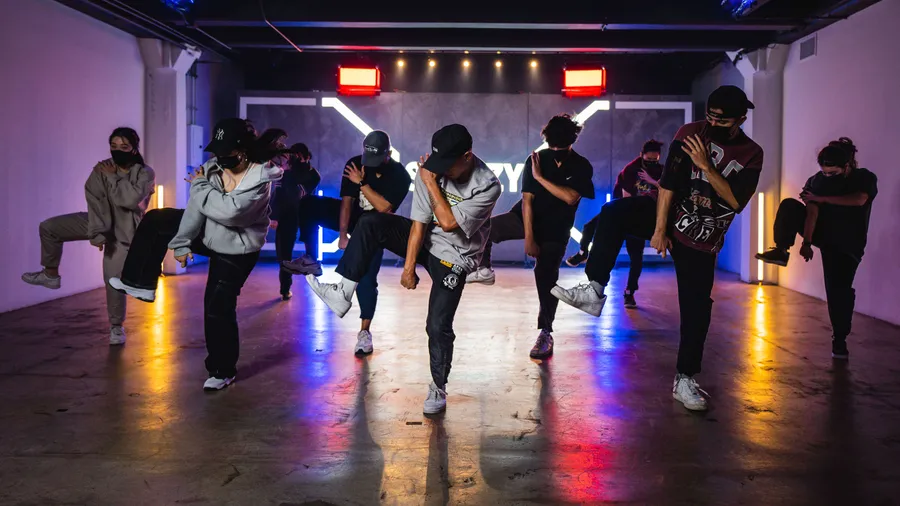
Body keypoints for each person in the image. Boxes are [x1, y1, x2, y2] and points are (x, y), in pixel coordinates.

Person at [551, 85, 763, 412]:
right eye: (709, 116)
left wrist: (706, 166)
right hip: (670, 216)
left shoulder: (751, 153)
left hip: (702, 237)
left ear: (740, 120)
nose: (712, 124)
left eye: (721, 121)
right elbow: (668, 184)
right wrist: (660, 229)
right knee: (613, 213)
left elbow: (736, 201)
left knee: (696, 309)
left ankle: (685, 378)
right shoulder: (690, 133)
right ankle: (594, 289)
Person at [304, 124, 501, 414]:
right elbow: (419, 223)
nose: (442, 171)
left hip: (456, 256)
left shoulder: (488, 185)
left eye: (448, 165)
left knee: (437, 325)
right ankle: (342, 291)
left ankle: (438, 386)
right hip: (427, 241)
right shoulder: (430, 170)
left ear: (467, 156)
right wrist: (409, 266)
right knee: (370, 222)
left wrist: (431, 183)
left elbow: (448, 223)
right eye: (439, 164)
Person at [107, 118, 283, 391]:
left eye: (227, 151)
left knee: (217, 306)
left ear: (243, 150)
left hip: (238, 248)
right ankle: (140, 282)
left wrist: (200, 186)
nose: (220, 157)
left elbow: (232, 213)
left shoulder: (260, 178)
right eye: (218, 151)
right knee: (156, 220)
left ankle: (222, 370)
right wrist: (182, 242)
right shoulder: (213, 167)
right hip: (210, 232)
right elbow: (197, 207)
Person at [466, 114, 594, 359]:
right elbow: (527, 201)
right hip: (524, 218)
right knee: (485, 228)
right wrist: (529, 237)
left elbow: (570, 197)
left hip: (556, 230)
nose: (554, 146)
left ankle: (545, 332)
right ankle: (484, 269)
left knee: (546, 278)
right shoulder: (536, 159)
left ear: (571, 138)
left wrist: (540, 178)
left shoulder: (581, 165)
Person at [22, 127, 155, 345]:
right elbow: (94, 199)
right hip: (98, 220)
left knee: (112, 280)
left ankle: (116, 327)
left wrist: (112, 177)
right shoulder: (101, 169)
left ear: (133, 149)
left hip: (124, 232)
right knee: (49, 227)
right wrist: (97, 231)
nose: (117, 150)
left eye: (124, 147)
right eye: (113, 146)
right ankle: (50, 274)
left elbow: (129, 201)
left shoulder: (144, 173)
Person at [282, 131, 411, 355]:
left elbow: (384, 208)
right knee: (309, 204)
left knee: (366, 280)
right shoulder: (355, 164)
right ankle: (311, 258)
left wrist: (361, 182)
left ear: (388, 154)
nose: (369, 163)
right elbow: (347, 202)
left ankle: (364, 332)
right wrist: (343, 235)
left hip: (377, 228)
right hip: (354, 219)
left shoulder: (400, 175)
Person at [757, 138, 876, 360]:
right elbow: (812, 211)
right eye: (825, 172)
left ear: (847, 165)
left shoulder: (864, 178)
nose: (827, 176)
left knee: (838, 292)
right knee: (790, 205)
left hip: (848, 244)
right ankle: (782, 251)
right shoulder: (816, 180)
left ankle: (839, 339)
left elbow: (859, 200)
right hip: (824, 235)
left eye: (833, 173)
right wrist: (807, 242)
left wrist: (823, 198)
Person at [566, 139, 665, 309]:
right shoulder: (631, 170)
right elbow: (627, 201)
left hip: (642, 219)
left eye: (655, 160)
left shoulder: (661, 172)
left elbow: (666, 193)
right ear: (641, 155)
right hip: (619, 216)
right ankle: (584, 256)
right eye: (648, 160)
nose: (651, 163)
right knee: (590, 227)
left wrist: (652, 181)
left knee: (636, 256)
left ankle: (629, 293)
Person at [269, 142, 321, 300]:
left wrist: (289, 172)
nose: (297, 159)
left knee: (310, 255)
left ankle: (316, 286)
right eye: (294, 156)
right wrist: (274, 216)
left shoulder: (313, 175)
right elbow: (278, 193)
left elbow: (298, 192)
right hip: (287, 215)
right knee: (284, 255)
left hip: (306, 215)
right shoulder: (285, 173)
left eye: (299, 156)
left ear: (307, 157)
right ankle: (285, 289)